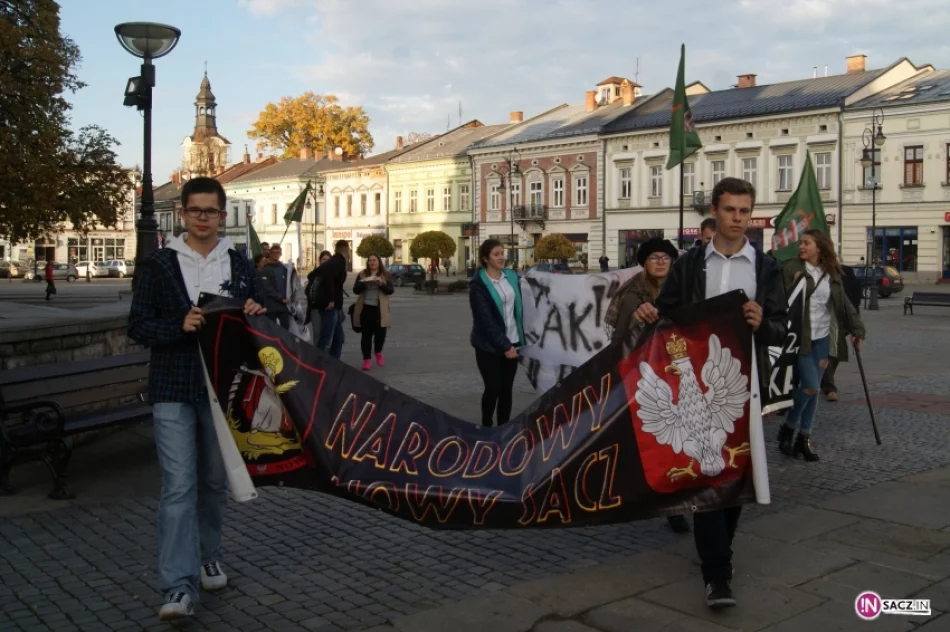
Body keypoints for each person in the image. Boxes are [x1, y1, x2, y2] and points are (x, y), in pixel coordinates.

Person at [635, 177, 788, 610]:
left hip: (743, 385)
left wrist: (764, 322)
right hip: (695, 388)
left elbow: (781, 325)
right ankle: (716, 573)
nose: (738, 218)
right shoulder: (691, 264)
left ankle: (719, 554)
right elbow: (667, 315)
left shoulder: (766, 267)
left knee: (736, 473)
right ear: (714, 213)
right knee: (707, 472)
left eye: (744, 211)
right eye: (729, 210)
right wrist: (649, 311)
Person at [127, 177, 266, 622]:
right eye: (195, 210)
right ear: (182, 213)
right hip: (173, 385)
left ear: (223, 216)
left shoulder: (239, 264)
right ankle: (178, 585)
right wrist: (177, 326)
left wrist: (255, 312)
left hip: (221, 389)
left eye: (211, 211)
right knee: (178, 487)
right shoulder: (159, 264)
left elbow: (263, 314)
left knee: (211, 482)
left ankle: (210, 554)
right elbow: (137, 325)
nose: (202, 218)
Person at [606, 237, 691, 535]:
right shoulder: (632, 295)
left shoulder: (680, 289)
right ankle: (655, 494)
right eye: (654, 257)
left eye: (665, 257)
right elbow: (620, 341)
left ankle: (674, 504)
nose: (660, 262)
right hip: (644, 376)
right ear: (644, 262)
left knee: (675, 440)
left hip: (675, 371)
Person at [778, 231, 865, 460]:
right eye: (801, 243)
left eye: (806, 243)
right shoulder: (790, 268)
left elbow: (844, 303)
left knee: (814, 389)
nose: (801, 246)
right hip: (802, 337)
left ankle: (803, 438)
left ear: (820, 247)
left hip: (823, 337)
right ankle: (788, 427)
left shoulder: (831, 272)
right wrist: (794, 285)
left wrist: (857, 330)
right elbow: (779, 301)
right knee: (810, 386)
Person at [469, 239, 523, 428]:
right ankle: (486, 426)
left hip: (513, 342)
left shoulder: (511, 277)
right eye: (496, 254)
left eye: (502, 253)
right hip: (488, 345)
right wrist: (504, 345)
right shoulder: (478, 285)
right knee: (493, 388)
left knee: (506, 389)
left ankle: (503, 428)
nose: (501, 257)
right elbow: (485, 321)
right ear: (486, 258)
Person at [821, 264, 862, 402]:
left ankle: (826, 383)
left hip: (836, 321)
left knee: (835, 352)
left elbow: (851, 298)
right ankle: (828, 386)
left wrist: (857, 329)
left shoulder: (841, 272)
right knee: (825, 353)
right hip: (814, 325)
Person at [353, 254, 395, 371]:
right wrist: (364, 284)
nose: (372, 262)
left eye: (374, 260)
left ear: (378, 262)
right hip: (366, 308)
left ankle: (378, 352)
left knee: (380, 335)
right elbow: (355, 290)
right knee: (366, 336)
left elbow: (390, 290)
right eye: (370, 260)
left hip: (380, 310)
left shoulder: (385, 274)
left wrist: (381, 284)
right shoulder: (362, 274)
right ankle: (366, 360)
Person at [314, 240, 349, 359]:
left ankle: (334, 364)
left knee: (338, 339)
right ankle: (317, 365)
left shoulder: (335, 261)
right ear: (347, 249)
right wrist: (330, 299)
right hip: (330, 306)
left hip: (335, 306)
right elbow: (329, 280)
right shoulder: (339, 261)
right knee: (326, 338)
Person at [306, 250, 332, 338]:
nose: (326, 261)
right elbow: (308, 290)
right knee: (317, 334)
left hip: (329, 309)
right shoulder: (314, 274)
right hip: (316, 308)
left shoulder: (334, 274)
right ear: (320, 260)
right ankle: (316, 352)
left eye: (328, 260)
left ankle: (325, 352)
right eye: (324, 259)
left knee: (327, 336)